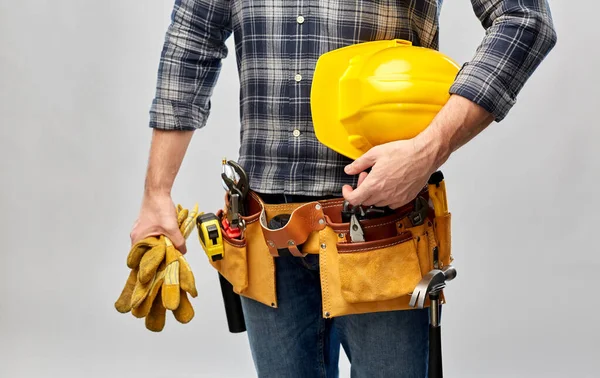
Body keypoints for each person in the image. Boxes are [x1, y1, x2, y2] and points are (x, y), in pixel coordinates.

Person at [129, 1, 557, 376]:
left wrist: (430, 148)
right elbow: (193, 37)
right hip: (265, 240)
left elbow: (525, 18)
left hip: (381, 236)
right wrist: (157, 194)